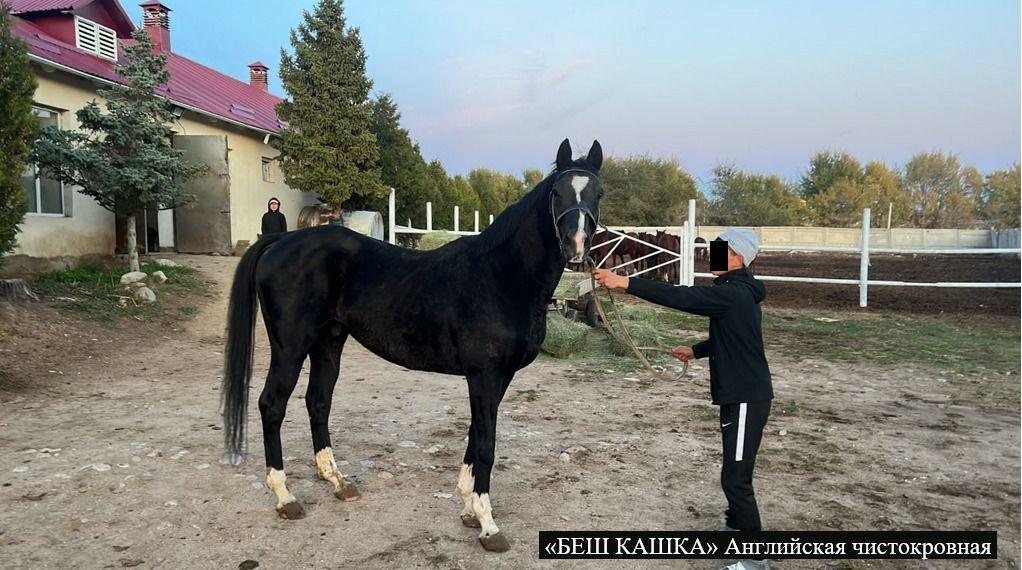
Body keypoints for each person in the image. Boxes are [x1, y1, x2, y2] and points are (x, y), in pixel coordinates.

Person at [593, 227, 773, 570]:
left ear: (738, 256)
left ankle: (754, 558)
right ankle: (736, 527)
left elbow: (682, 297)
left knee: (736, 478)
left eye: (721, 251)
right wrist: (697, 350)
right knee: (734, 472)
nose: (713, 256)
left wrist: (625, 283)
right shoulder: (737, 293)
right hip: (741, 395)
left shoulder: (733, 294)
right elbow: (737, 336)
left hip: (746, 397)